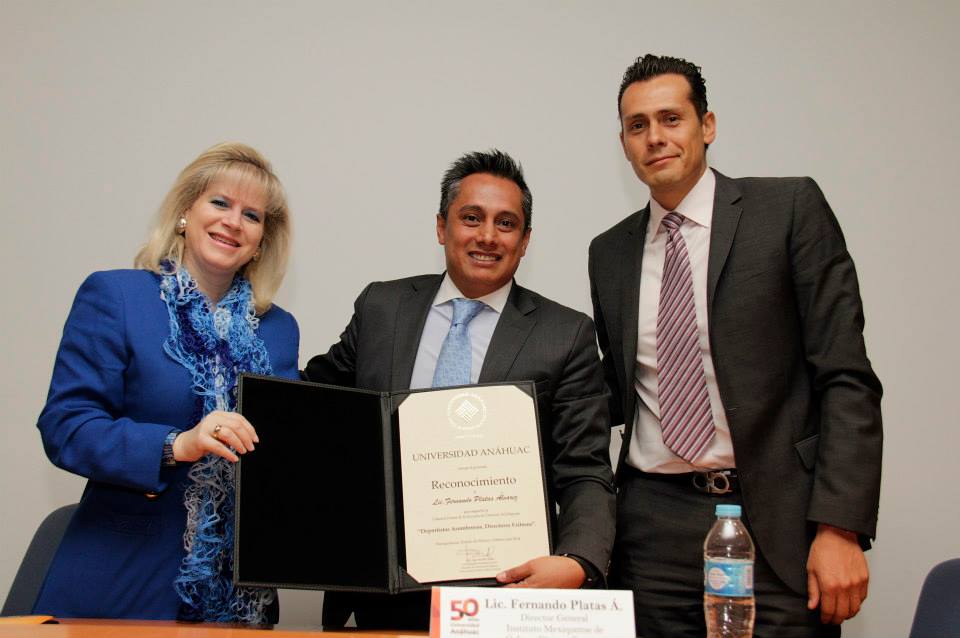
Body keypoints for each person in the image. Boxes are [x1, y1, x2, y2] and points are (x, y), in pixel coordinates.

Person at [589, 54, 882, 638]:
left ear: (708, 125)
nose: (655, 137)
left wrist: (839, 527)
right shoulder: (610, 252)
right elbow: (617, 390)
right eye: (637, 125)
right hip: (651, 530)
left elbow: (845, 376)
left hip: (775, 516)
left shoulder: (788, 209)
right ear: (623, 143)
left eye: (671, 118)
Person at [305, 149, 615, 630]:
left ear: (526, 239)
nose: (487, 236)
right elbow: (313, 403)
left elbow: (584, 470)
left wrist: (577, 560)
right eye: (471, 218)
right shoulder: (382, 308)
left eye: (506, 223)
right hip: (384, 591)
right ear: (441, 227)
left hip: (505, 594)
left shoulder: (565, 335)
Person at [32, 143, 300, 623]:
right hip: (123, 581)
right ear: (185, 213)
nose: (233, 222)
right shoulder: (117, 296)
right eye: (220, 203)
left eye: (252, 215)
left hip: (240, 593)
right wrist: (178, 444)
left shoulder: (279, 329)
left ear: (261, 240)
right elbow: (66, 427)